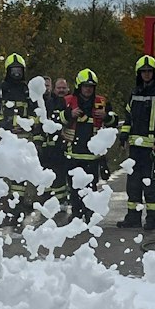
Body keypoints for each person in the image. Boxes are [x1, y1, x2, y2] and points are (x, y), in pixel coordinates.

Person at [119, 55, 155, 229]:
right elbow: (128, 118)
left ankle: (152, 219)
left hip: (152, 148)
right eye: (143, 72)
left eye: (149, 71)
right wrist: (123, 137)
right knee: (133, 185)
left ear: (154, 73)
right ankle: (133, 217)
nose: (146, 74)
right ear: (139, 73)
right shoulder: (134, 92)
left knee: (151, 184)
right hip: (135, 149)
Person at [59, 68, 114, 219]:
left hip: (92, 157)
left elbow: (113, 122)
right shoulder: (68, 102)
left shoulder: (101, 102)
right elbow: (55, 121)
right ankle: (76, 214)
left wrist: (106, 116)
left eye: (91, 86)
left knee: (91, 187)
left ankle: (89, 214)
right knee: (74, 188)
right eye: (85, 86)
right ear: (79, 87)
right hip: (72, 153)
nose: (88, 89)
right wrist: (69, 114)